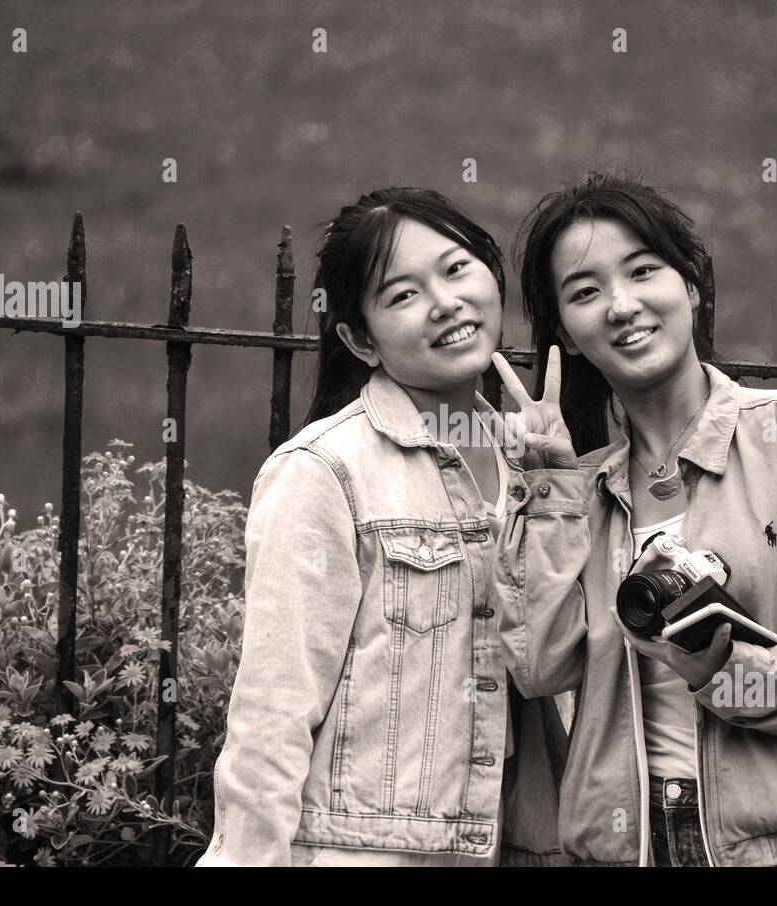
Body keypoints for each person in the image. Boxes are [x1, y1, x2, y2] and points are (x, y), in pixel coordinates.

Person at [491, 171, 777, 866]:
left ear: (690, 284)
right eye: (585, 291)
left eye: (642, 271)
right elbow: (541, 665)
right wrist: (546, 490)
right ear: (565, 332)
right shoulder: (589, 491)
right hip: (631, 846)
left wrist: (724, 667)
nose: (621, 305)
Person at [197, 187, 566, 866]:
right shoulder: (326, 472)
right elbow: (274, 713)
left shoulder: (535, 463)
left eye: (456, 269)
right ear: (359, 340)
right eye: (402, 295)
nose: (445, 303)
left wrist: (558, 493)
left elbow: (563, 672)